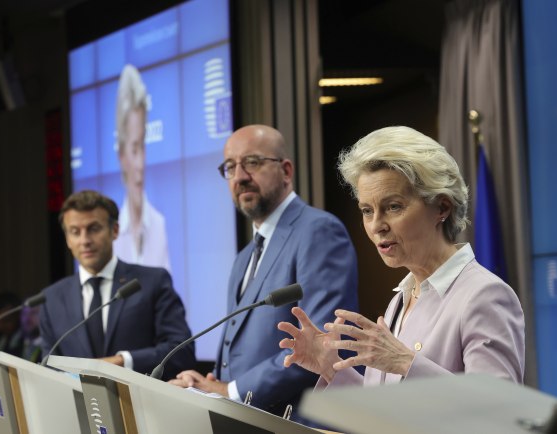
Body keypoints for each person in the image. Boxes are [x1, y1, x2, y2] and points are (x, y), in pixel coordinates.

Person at [278, 126, 525, 390]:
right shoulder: (401, 300)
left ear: (442, 207)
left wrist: (406, 362)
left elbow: (497, 408)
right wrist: (331, 367)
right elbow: (388, 408)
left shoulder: (484, 295)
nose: (376, 226)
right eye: (367, 210)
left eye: (393, 207)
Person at [170, 125, 358, 420]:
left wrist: (230, 391)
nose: (240, 176)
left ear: (286, 171)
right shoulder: (244, 257)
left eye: (252, 162)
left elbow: (320, 344)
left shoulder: (318, 231)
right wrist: (205, 385)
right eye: (230, 167)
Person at [39, 190, 195, 378]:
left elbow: (182, 351)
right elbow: (48, 368)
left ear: (114, 230)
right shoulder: (52, 299)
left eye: (93, 229)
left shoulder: (152, 281)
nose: (85, 240)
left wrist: (122, 361)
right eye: (75, 232)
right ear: (67, 239)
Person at [113, 64, 170, 270]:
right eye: (134, 149)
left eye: (143, 147)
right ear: (121, 155)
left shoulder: (158, 224)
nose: (140, 164)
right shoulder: (111, 234)